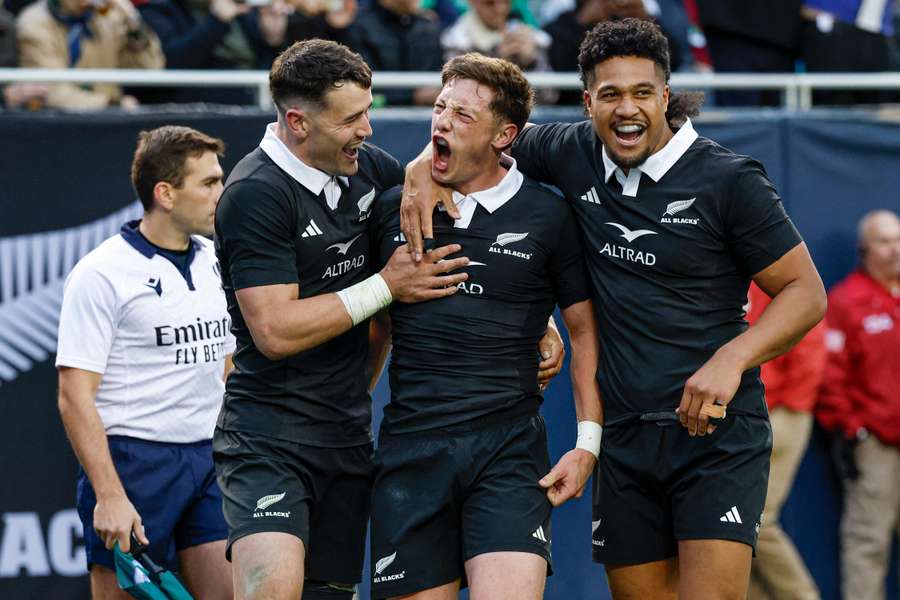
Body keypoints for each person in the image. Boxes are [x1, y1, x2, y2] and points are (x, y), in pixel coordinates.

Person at [400, 18, 827, 599]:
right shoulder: (571, 151)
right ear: (587, 102)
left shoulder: (729, 180)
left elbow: (806, 292)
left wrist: (732, 360)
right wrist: (420, 168)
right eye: (610, 95)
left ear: (666, 96)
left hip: (716, 437)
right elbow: (479, 134)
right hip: (626, 439)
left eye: (643, 92)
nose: (627, 109)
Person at [211, 39, 477, 600]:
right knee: (273, 589)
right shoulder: (255, 193)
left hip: (347, 434)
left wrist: (423, 169)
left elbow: (424, 184)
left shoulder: (364, 169)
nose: (367, 130)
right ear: (297, 122)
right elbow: (276, 331)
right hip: (268, 439)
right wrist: (385, 285)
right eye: (352, 118)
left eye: (369, 112)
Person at [368, 53, 602, 600]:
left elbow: (587, 332)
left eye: (463, 116)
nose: (442, 122)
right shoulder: (391, 209)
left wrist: (587, 441)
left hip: (509, 452)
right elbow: (376, 331)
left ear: (506, 135)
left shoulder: (548, 213)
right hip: (410, 455)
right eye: (440, 108)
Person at [56, 126, 235, 600]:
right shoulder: (100, 274)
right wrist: (110, 495)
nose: (222, 192)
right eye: (209, 183)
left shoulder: (218, 259)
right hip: (135, 464)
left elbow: (227, 363)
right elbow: (74, 396)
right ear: (166, 194)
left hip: (208, 458)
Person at [816, 209, 900, 600]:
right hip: (877, 443)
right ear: (865, 248)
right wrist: (853, 428)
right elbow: (829, 375)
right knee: (868, 542)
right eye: (885, 241)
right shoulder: (848, 301)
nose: (895, 249)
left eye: (898, 239)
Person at [745, 282, 826, 600]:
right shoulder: (719, 270)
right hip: (737, 416)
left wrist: (782, 407)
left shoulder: (776, 272)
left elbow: (810, 347)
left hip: (779, 414)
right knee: (733, 525)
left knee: (759, 521)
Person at [16, 0, 164, 110]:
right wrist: (111, 105)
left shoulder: (110, 18)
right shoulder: (34, 23)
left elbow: (151, 69)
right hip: (60, 124)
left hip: (111, 122)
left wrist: (133, 22)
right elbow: (52, 91)